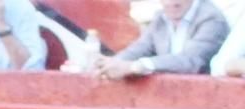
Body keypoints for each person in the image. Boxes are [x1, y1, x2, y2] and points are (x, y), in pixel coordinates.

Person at [91, 0, 229, 78]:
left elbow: (191, 61)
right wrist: (111, 65)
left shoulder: (211, 18)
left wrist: (135, 67)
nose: (170, 3)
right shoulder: (160, 17)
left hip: (204, 102)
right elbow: (140, 48)